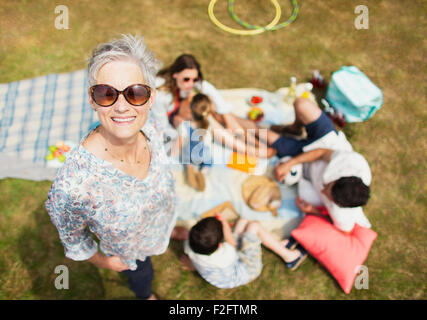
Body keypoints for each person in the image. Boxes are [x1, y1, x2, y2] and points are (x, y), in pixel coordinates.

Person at [45, 35, 181, 300]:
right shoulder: (72, 187)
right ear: (92, 99)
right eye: (106, 93)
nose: (122, 106)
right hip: (130, 253)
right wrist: (104, 262)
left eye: (136, 92)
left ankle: (168, 234)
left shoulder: (151, 129)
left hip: (158, 222)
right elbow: (72, 238)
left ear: (150, 98)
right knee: (143, 276)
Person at [267, 98, 372, 233]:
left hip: (305, 165)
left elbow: (345, 230)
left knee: (263, 134)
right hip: (325, 142)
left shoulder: (342, 214)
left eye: (327, 196)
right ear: (340, 176)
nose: (322, 191)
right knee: (301, 104)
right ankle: (295, 129)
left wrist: (313, 211)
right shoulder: (353, 163)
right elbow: (322, 152)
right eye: (327, 186)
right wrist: (289, 163)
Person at [151, 54, 275, 158]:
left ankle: (251, 139)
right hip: (172, 117)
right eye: (187, 79)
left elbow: (208, 89)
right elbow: (162, 126)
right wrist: (180, 131)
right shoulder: (161, 94)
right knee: (208, 118)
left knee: (212, 107)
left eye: (195, 79)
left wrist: (227, 117)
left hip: (182, 105)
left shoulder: (184, 82)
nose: (191, 83)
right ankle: (248, 148)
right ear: (175, 74)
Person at [180, 214, 307, 289]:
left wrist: (192, 266)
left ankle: (276, 245)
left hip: (220, 276)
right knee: (253, 226)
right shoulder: (225, 254)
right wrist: (223, 223)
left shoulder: (190, 248)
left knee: (243, 222)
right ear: (220, 244)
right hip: (247, 270)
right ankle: (289, 256)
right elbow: (233, 244)